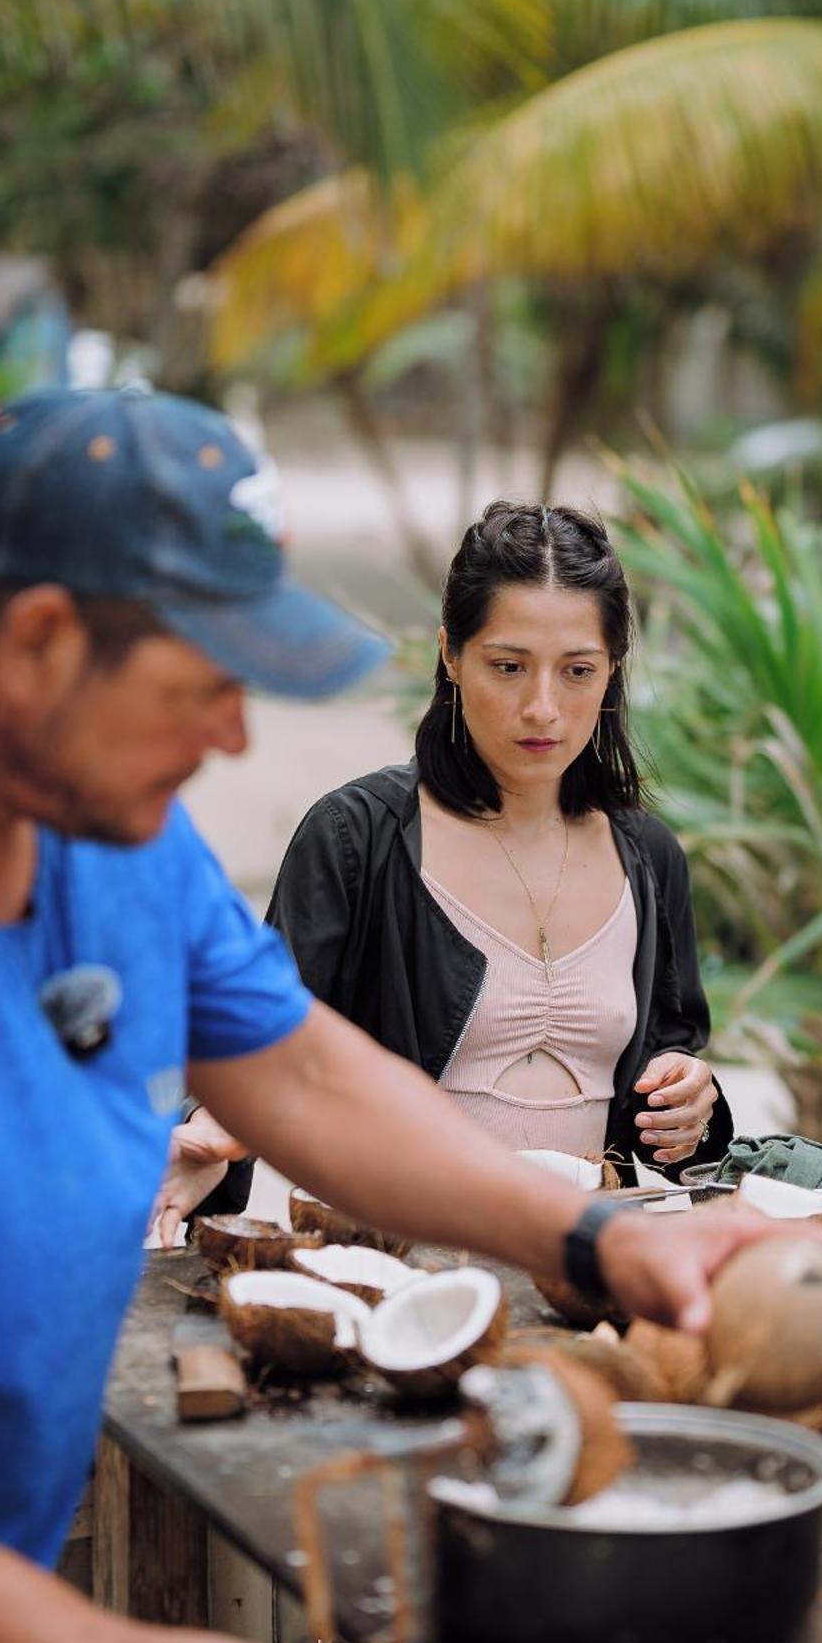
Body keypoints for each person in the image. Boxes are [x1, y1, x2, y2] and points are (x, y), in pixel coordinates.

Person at [0, 389, 769, 1643]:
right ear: (46, 640)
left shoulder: (105, 831)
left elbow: (310, 1072)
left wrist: (591, 1232)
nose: (235, 739)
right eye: (206, 685)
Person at [155, 501, 730, 1242]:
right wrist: (209, 1136)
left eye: (577, 671)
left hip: (591, 1259)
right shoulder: (357, 838)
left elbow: (670, 1056)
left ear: (612, 671)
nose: (542, 708)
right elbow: (263, 1046)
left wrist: (691, 1101)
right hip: (397, 1256)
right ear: (451, 657)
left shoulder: (648, 856)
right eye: (508, 667)